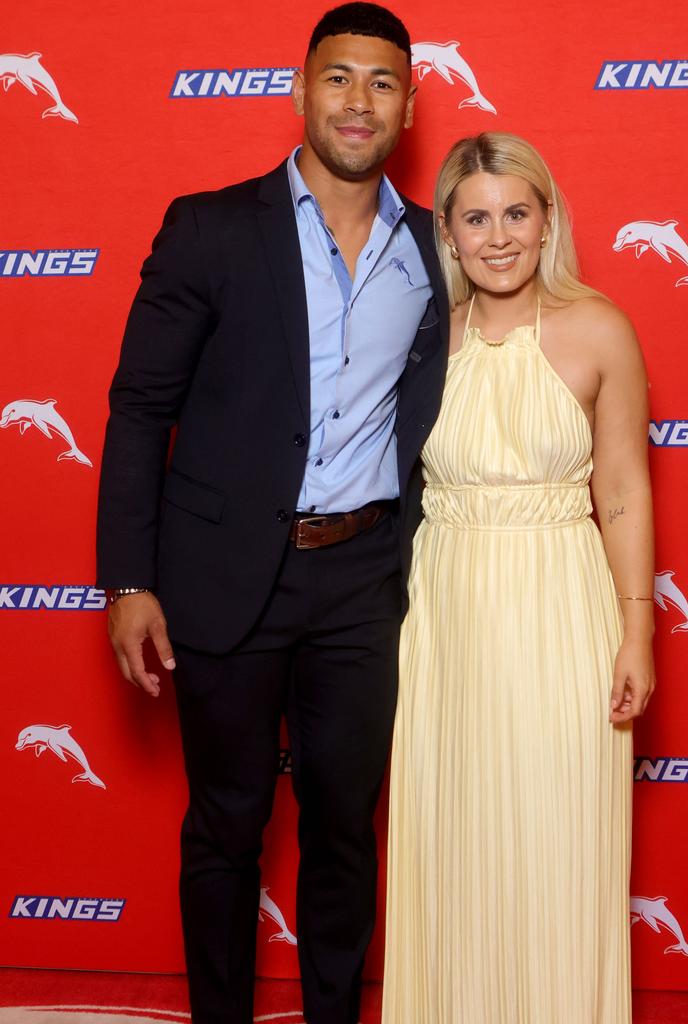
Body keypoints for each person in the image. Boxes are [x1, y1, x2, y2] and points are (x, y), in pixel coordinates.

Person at [95, 5, 448, 1023]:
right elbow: (138, 407)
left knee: (344, 828)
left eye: (382, 82)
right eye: (338, 77)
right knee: (226, 827)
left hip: (361, 581)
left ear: (409, 105)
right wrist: (129, 577)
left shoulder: (436, 251)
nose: (358, 100)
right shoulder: (208, 227)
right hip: (221, 572)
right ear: (301, 91)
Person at [382, 132, 655, 1023]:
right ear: (449, 234)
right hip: (449, 609)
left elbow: (620, 490)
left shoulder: (600, 327)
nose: (496, 236)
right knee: (454, 838)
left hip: (560, 609)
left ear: (546, 222)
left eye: (515, 213)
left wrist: (638, 632)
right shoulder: (422, 338)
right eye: (474, 217)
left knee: (557, 839)